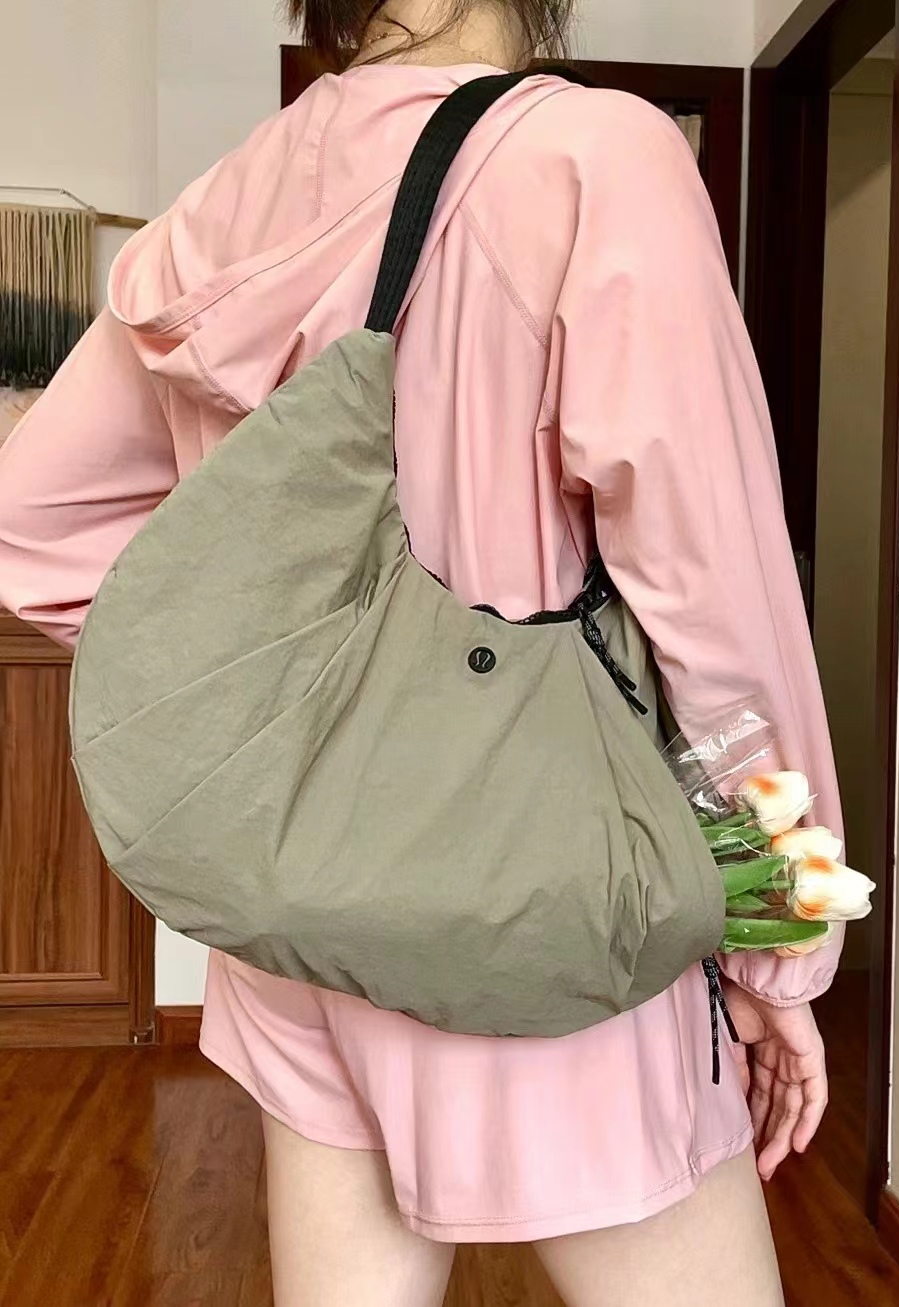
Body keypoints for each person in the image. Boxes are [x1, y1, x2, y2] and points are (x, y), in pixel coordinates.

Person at [0, 2, 843, 1303]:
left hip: (303, 910)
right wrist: (780, 938)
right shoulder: (594, 158)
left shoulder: (219, 208)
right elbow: (718, 605)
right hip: (549, 898)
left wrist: (267, 686)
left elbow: (33, 525)